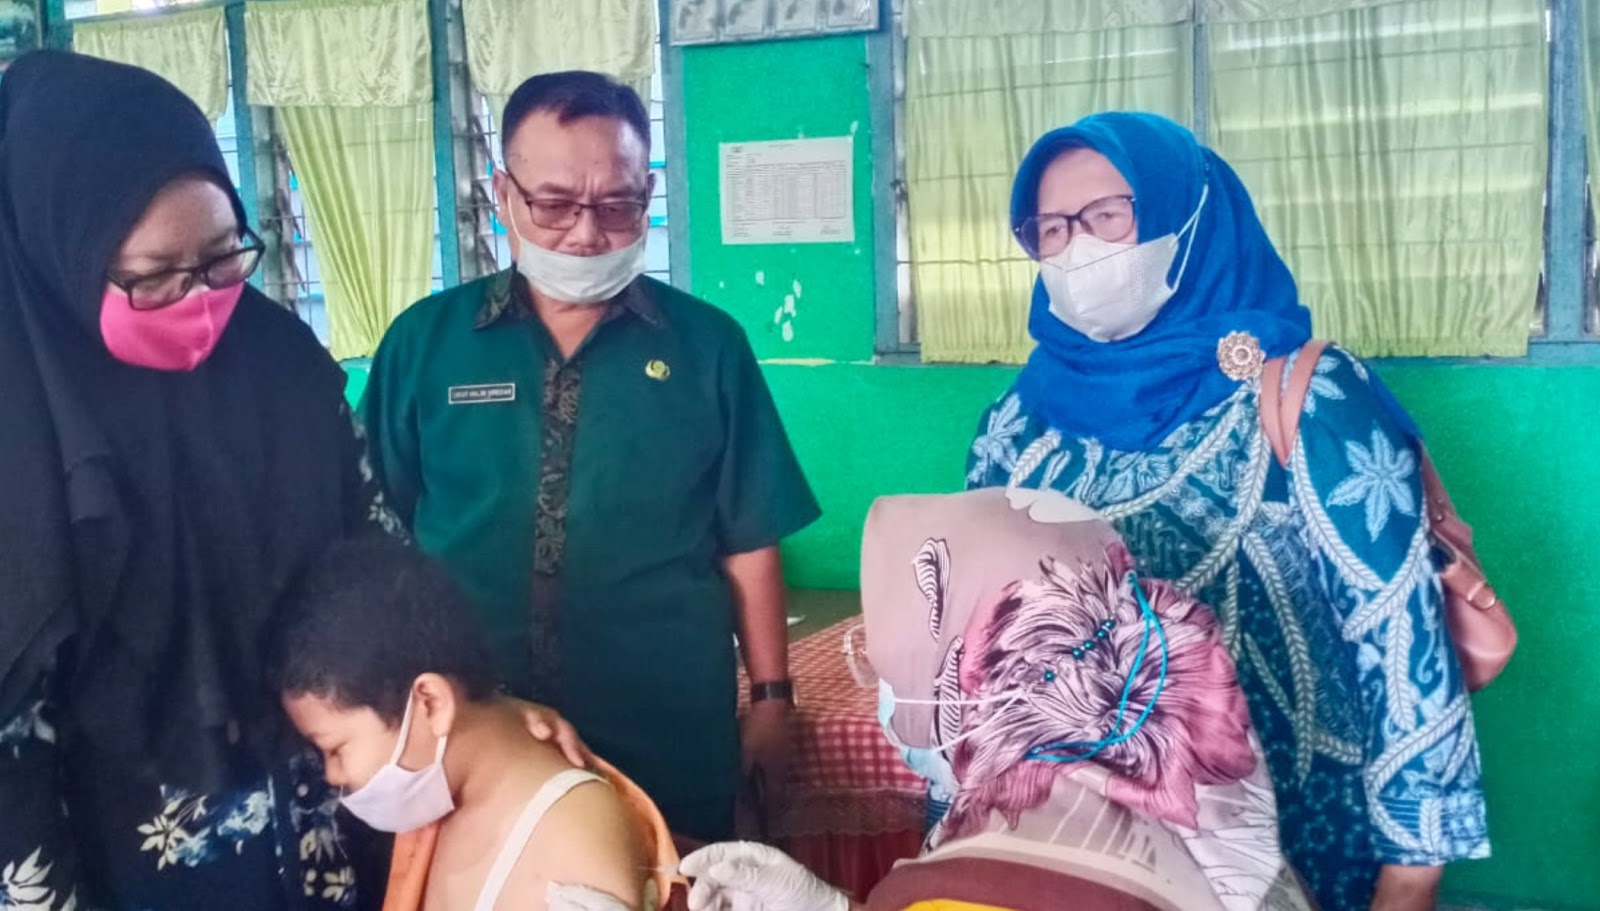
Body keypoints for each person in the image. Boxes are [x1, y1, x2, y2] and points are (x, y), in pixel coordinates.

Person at [0, 51, 580, 911]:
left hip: (322, 800)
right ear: (65, 254)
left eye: (223, 257)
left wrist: (480, 707)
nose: (200, 299)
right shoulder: (23, 433)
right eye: (154, 277)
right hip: (113, 846)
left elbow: (379, 569)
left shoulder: (278, 366)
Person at [964, 112, 1488, 910]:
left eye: (1109, 214)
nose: (1078, 250)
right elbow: (981, 649)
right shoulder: (1020, 423)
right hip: (1087, 848)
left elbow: (1401, 638)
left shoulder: (1309, 397)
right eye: (1052, 228)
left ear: (1190, 214)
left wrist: (1412, 873)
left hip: (1307, 837)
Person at [360, 70, 820, 843]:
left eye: (617, 205)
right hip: (471, 726)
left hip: (664, 728)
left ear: (648, 195)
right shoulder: (425, 343)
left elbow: (749, 536)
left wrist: (772, 697)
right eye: (554, 204)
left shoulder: (707, 347)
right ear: (502, 194)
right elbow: (379, 535)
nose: (584, 234)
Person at [681, 489, 1314, 911]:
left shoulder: (987, 876)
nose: (881, 683)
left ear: (962, 674)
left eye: (890, 661)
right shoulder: (1181, 801)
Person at [269, 536, 687, 911]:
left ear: (430, 702)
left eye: (334, 749)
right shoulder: (439, 804)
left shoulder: (574, 839)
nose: (332, 775)